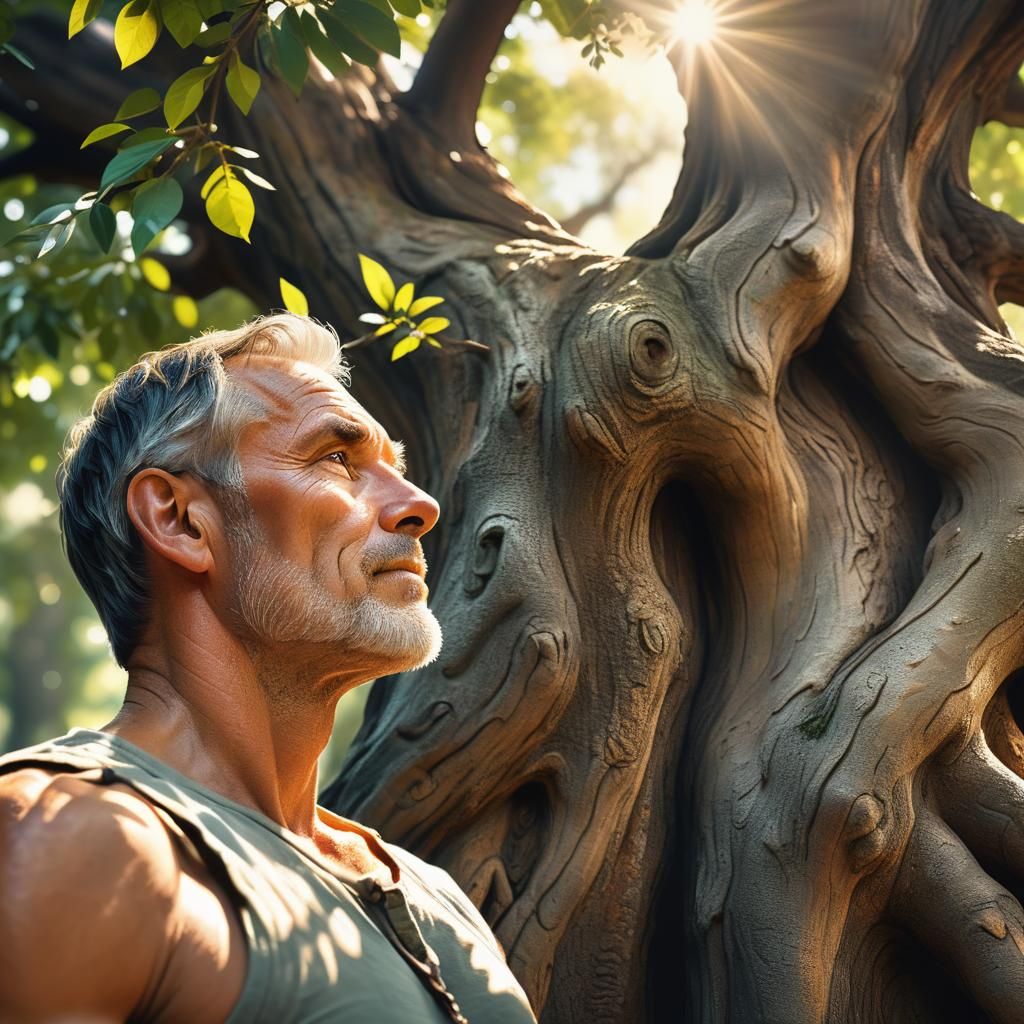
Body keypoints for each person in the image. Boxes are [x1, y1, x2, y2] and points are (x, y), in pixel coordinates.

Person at [0, 314, 537, 1024]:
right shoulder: (67, 836)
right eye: (337, 460)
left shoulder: (437, 895)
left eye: (396, 471)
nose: (420, 507)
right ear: (180, 521)